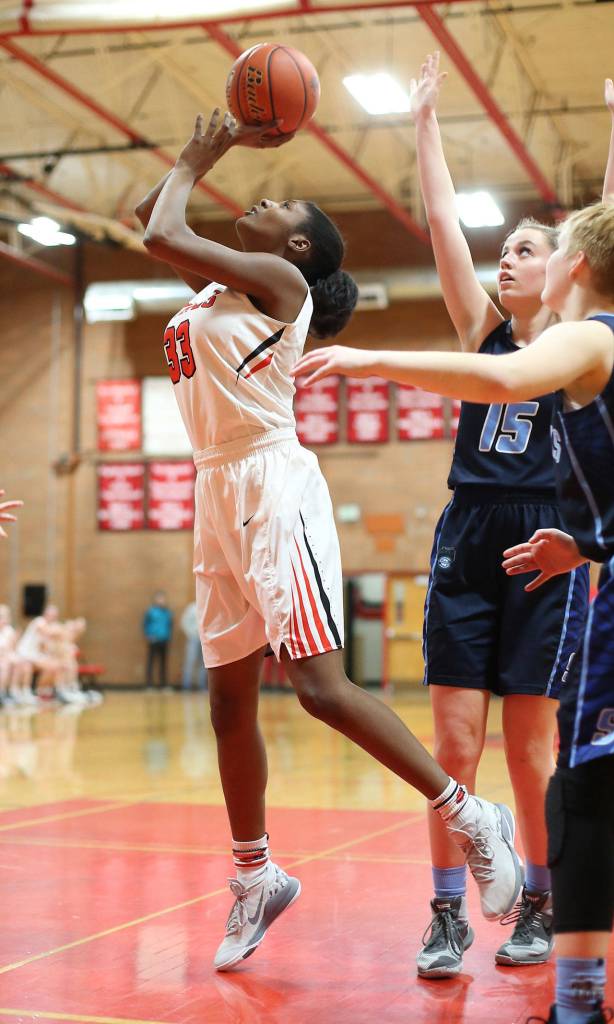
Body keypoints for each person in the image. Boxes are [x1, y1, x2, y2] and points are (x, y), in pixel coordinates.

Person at [136, 108, 523, 973]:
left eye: (284, 205)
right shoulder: (220, 288)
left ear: (298, 249)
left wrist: (208, 150)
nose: (266, 200)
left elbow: (162, 228)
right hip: (214, 486)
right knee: (228, 703)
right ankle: (256, 874)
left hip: (273, 489)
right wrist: (196, 159)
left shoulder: (281, 286)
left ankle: (469, 814)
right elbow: (147, 217)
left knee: (315, 687)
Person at [293, 198, 614, 1022]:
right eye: (500, 250)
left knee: (543, 756)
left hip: (550, 540)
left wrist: (367, 359)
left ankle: (548, 918)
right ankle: (451, 914)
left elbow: (600, 227)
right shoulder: (490, 330)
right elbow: (447, 234)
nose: (504, 260)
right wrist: (426, 122)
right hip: (482, 536)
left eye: (527, 249)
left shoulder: (578, 342)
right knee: (458, 746)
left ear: (568, 267)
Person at [142, 591, 173, 691]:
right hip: (153, 640)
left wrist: (168, 636)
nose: (161, 600)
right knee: (151, 662)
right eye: (159, 598)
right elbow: (145, 624)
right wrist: (149, 635)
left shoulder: (167, 612)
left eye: (163, 598)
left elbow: (170, 625)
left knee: (163, 663)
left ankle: (163, 685)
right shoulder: (151, 612)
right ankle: (149, 685)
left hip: (164, 640)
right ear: (155, 600)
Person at [180, 600, 207, 691]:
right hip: (193, 638)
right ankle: (186, 685)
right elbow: (184, 622)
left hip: (204, 639)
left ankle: (201, 685)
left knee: (204, 663)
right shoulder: (191, 608)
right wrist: (190, 633)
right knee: (190, 661)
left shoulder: (207, 606)